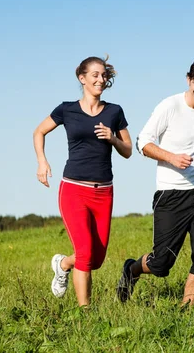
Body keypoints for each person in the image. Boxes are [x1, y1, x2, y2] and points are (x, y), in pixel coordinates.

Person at [116, 59, 194, 307]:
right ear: (188, 80)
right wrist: (171, 157)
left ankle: (186, 309)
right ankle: (131, 270)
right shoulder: (170, 106)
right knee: (162, 262)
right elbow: (143, 143)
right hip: (171, 193)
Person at [33, 55, 132, 307]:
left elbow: (128, 150)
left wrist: (112, 138)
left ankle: (63, 263)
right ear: (82, 78)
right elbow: (39, 131)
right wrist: (42, 162)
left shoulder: (114, 111)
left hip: (104, 192)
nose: (101, 79)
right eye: (95, 75)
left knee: (96, 260)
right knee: (86, 255)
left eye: (103, 75)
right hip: (74, 190)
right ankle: (84, 312)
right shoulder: (67, 109)